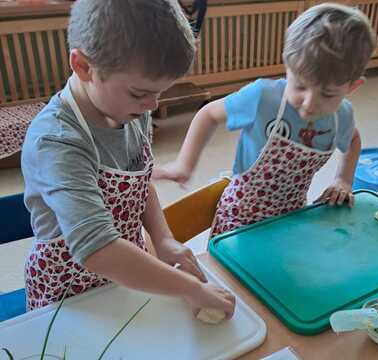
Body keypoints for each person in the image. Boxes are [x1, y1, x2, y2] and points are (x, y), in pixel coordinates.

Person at [21, 0, 235, 319]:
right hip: (68, 295)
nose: (151, 105)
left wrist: (163, 239)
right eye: (140, 93)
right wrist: (190, 288)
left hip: (131, 271)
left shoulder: (130, 110)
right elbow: (98, 249)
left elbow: (139, 179)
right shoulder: (57, 142)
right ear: (83, 67)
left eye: (159, 92)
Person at [153, 3, 376, 236]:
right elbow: (208, 114)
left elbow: (352, 139)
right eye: (300, 86)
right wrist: (184, 165)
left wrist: (343, 179)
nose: (309, 103)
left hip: (291, 217)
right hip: (239, 218)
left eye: (328, 94)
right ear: (287, 66)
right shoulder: (263, 97)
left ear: (352, 86)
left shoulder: (341, 116)